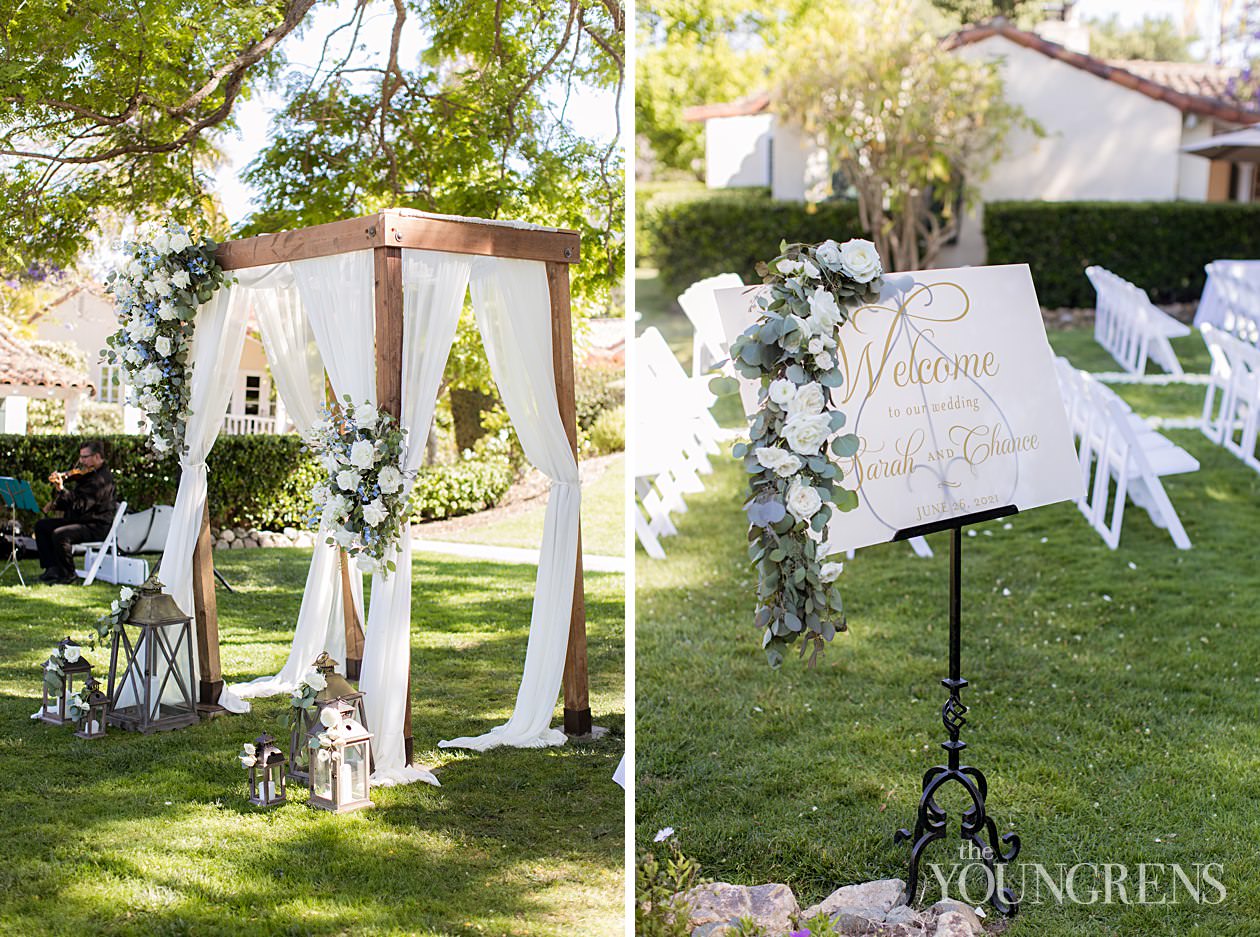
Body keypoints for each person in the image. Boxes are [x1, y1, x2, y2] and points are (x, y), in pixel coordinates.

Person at [35, 440, 118, 584]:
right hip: (80, 520)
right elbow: (73, 501)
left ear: (97, 457)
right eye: (80, 457)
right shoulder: (89, 475)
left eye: (85, 457)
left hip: (96, 525)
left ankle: (68, 574)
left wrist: (62, 490)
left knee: (60, 534)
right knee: (42, 526)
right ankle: (52, 569)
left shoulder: (101, 479)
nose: (81, 461)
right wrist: (56, 502)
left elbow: (79, 506)